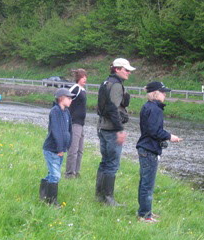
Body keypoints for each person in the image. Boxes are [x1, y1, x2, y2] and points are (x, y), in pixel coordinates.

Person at [136, 81, 181, 223]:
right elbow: (154, 131)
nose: (165, 94)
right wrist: (170, 137)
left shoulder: (148, 106)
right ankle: (145, 216)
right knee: (147, 184)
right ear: (155, 93)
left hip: (146, 148)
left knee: (145, 182)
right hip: (149, 150)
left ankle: (145, 211)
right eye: (162, 92)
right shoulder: (154, 109)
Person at [95, 57, 135, 206]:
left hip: (102, 127)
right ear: (117, 69)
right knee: (112, 164)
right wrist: (120, 130)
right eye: (126, 70)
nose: (129, 73)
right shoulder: (116, 85)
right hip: (111, 130)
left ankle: (100, 195)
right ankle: (108, 198)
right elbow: (112, 109)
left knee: (105, 162)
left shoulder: (106, 82)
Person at [40, 88, 73, 206]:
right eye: (68, 98)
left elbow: (69, 130)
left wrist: (67, 145)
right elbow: (55, 131)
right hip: (52, 149)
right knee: (55, 175)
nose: (71, 100)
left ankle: (43, 196)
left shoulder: (67, 112)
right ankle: (51, 202)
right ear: (61, 99)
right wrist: (59, 148)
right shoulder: (55, 111)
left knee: (52, 173)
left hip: (61, 149)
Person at [65, 69, 87, 179]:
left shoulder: (83, 90)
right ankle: (69, 174)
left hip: (81, 123)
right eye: (83, 77)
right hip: (74, 123)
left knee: (80, 150)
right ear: (78, 78)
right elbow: (66, 98)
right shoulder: (75, 88)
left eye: (85, 77)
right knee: (73, 149)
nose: (85, 79)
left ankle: (76, 172)